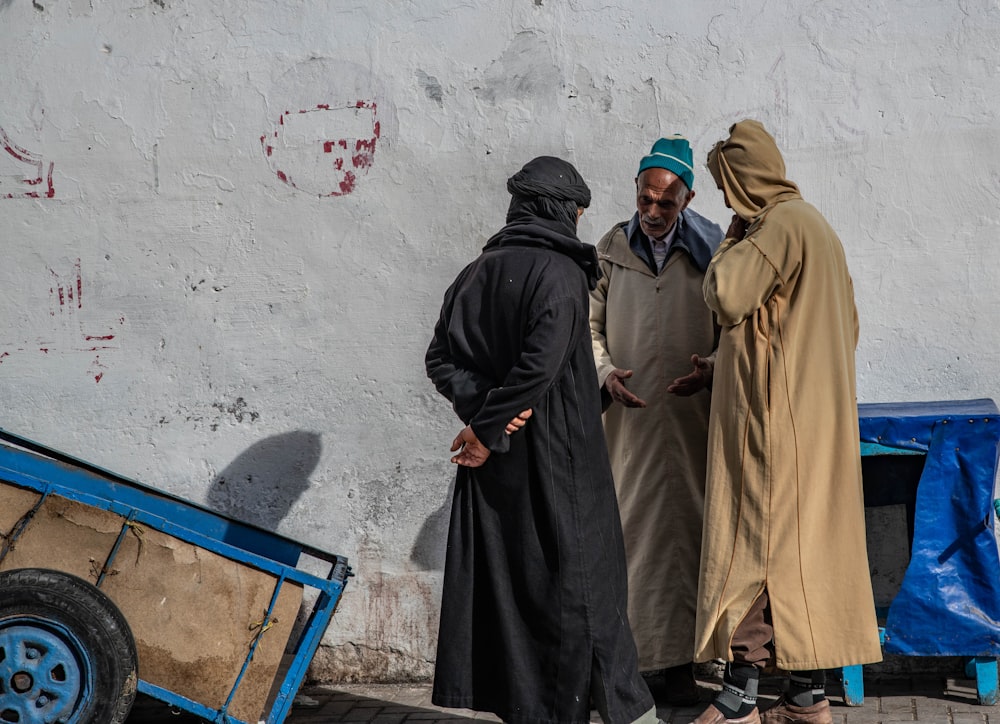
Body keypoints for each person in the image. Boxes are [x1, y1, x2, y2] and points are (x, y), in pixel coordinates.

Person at [425, 156, 657, 724]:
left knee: (523, 595)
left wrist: (485, 411)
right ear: (559, 211)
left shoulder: (475, 272)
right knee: (589, 595)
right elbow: (540, 367)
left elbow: (439, 360)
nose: (579, 220)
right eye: (576, 211)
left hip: (501, 474)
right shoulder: (559, 275)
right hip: (562, 463)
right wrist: (487, 426)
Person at [691, 120, 882, 724]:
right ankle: (806, 698)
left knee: (755, 550)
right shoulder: (819, 229)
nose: (725, 200)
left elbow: (724, 294)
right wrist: (725, 362)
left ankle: (738, 700)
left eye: (726, 186)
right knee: (806, 554)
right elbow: (829, 326)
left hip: (775, 430)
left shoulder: (772, 226)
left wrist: (731, 238)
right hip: (816, 423)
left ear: (747, 180)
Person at [589, 135, 723, 704]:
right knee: (631, 535)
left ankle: (685, 667)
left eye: (665, 204)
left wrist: (712, 369)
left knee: (692, 535)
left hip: (694, 423)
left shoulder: (715, 252)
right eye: (645, 199)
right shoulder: (611, 249)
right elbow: (588, 327)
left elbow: (737, 331)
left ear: (687, 200)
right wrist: (604, 375)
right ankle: (634, 668)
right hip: (631, 427)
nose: (651, 213)